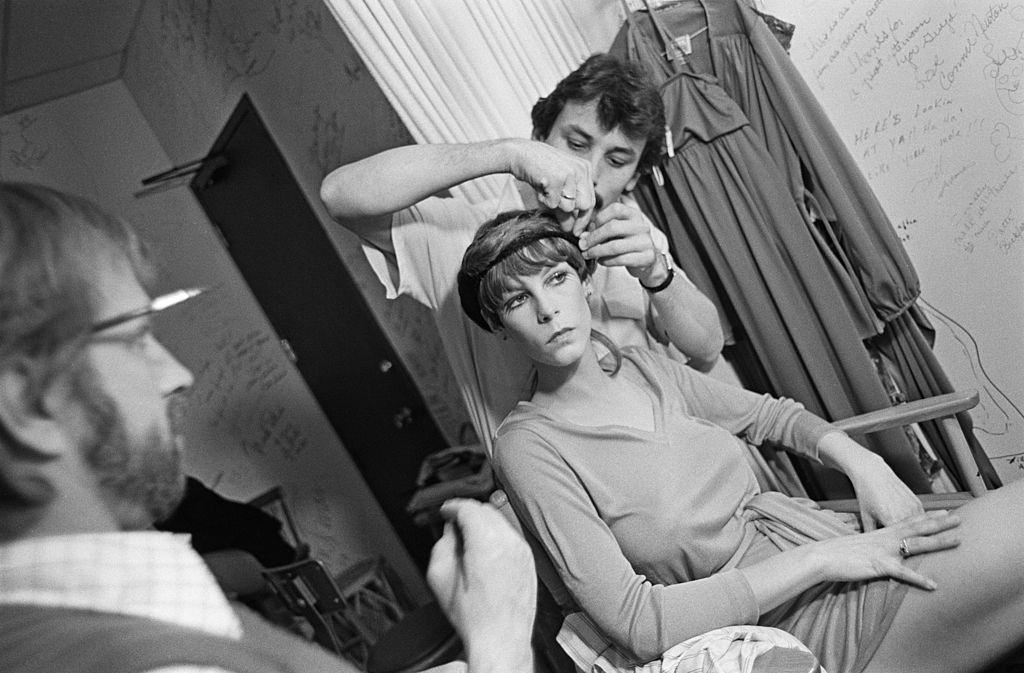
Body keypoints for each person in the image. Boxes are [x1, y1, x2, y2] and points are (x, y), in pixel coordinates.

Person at [457, 208, 1024, 673]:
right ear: (501, 327)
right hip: (772, 632)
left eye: (556, 279)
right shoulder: (528, 446)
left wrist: (863, 463)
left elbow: (771, 417)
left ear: (584, 282)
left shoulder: (640, 366)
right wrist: (825, 560)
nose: (546, 308)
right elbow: (639, 622)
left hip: (822, 538)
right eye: (516, 300)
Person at [0, 182, 535, 673]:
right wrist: (500, 640)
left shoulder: (93, 613)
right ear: (26, 402)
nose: (177, 375)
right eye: (137, 338)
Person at [320, 53, 723, 455]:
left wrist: (658, 274)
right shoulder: (455, 236)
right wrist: (505, 154)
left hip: (668, 470)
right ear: (539, 139)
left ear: (634, 176)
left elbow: (707, 349)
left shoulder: (633, 235)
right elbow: (340, 195)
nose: (590, 170)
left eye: (617, 160)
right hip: (553, 493)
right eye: (576, 143)